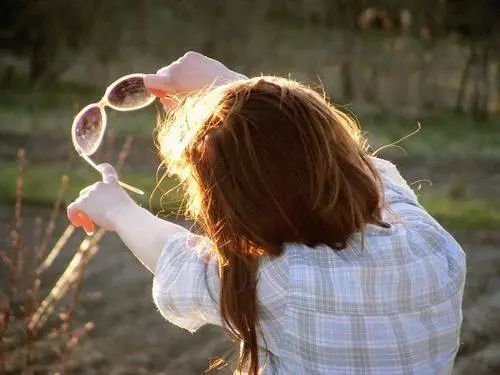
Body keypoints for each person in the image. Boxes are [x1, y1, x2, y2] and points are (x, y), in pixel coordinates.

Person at [67, 52, 466, 374]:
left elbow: (178, 260)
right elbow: (359, 167)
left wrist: (116, 208)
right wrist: (234, 86)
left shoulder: (282, 282)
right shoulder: (434, 248)